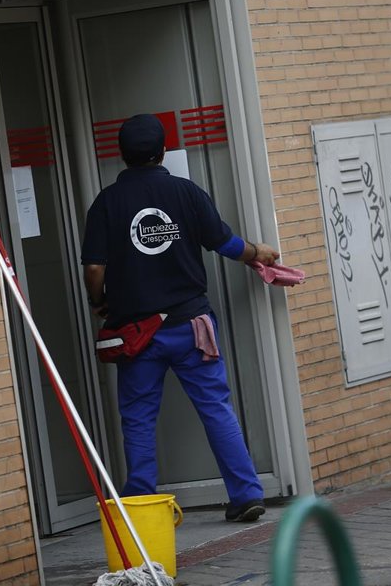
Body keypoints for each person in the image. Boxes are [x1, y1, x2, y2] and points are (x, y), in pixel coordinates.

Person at [80, 113, 279, 523]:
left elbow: (95, 268)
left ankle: (141, 506)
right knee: (215, 407)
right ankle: (246, 495)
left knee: (138, 418)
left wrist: (98, 301)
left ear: (122, 155)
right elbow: (225, 243)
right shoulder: (186, 193)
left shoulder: (106, 203)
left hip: (138, 333)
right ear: (163, 151)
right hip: (192, 326)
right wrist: (256, 252)